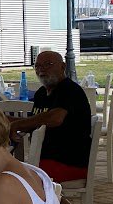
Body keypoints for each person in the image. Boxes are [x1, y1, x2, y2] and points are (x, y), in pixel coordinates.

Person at [7, 51, 93, 182]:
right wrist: (2, 120)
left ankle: (47, 200)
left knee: (12, 177)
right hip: (44, 160)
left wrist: (16, 124)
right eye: (38, 66)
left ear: (63, 67)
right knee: (6, 169)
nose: (42, 69)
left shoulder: (70, 90)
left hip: (68, 162)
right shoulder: (41, 94)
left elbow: (55, 118)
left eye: (48, 64)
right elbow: (32, 122)